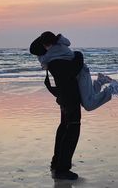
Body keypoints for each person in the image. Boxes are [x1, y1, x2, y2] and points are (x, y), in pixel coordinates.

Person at [30, 34, 84, 180]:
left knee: (64, 128)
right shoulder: (58, 60)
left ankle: (57, 163)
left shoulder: (49, 59)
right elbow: (74, 69)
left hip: (63, 97)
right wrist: (79, 55)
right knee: (72, 129)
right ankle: (62, 169)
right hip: (69, 98)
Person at [38, 32, 118, 111]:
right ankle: (100, 81)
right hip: (80, 72)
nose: (45, 48)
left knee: (88, 105)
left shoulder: (54, 50)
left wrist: (45, 63)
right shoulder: (60, 45)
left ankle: (113, 88)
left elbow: (40, 56)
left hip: (81, 73)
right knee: (89, 98)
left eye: (45, 46)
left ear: (49, 44)